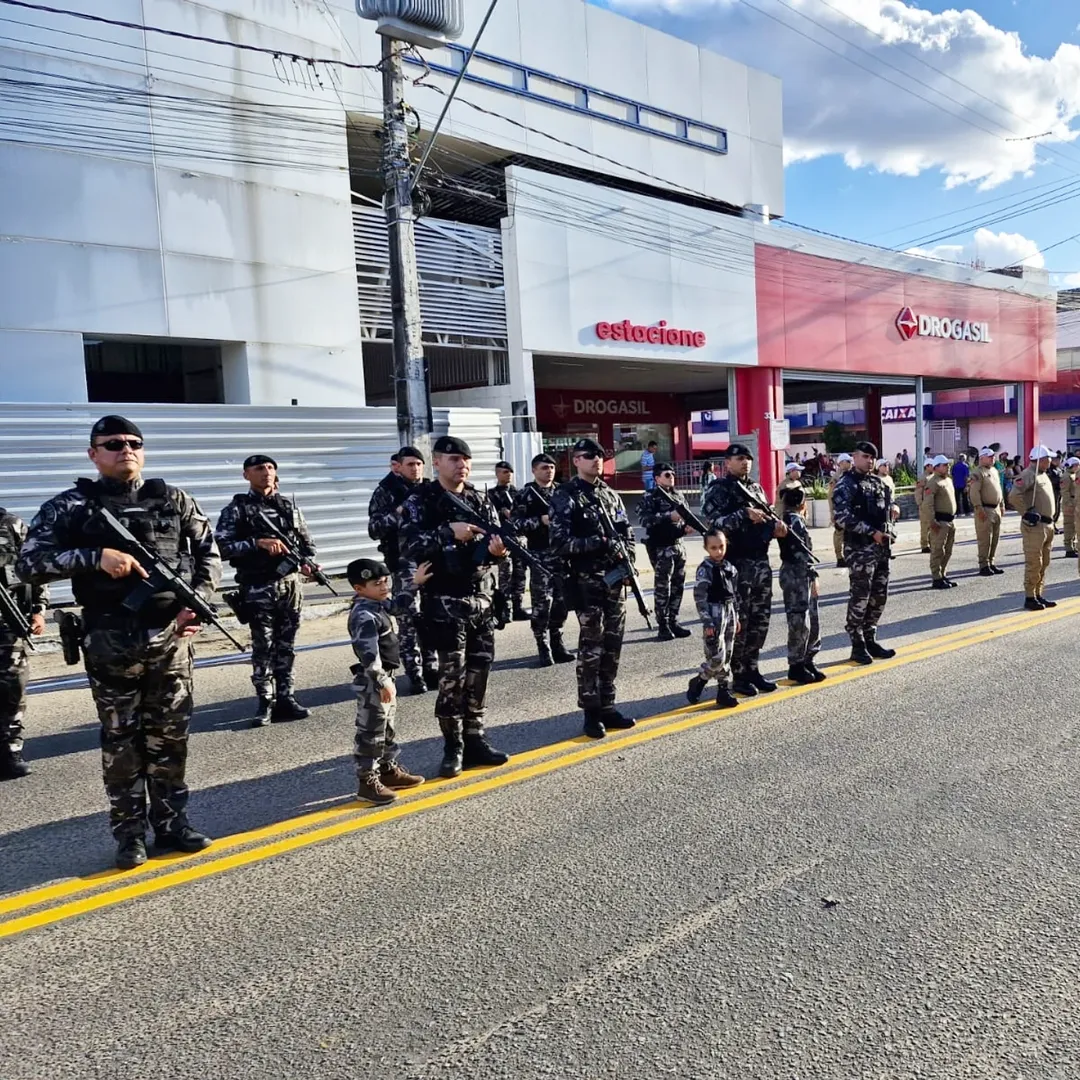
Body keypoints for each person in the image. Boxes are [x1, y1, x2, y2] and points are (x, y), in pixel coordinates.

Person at [16, 415, 221, 868]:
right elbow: (29, 565)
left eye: (133, 442)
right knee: (121, 741)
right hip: (110, 639)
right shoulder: (70, 506)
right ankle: (130, 835)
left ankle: (172, 824)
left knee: (170, 737)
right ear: (93, 454)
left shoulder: (175, 499)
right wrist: (95, 557)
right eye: (112, 443)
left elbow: (209, 553)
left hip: (170, 638)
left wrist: (198, 603)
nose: (125, 449)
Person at [399, 435, 511, 778]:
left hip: (481, 600)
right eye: (453, 459)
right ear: (436, 462)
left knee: (479, 674)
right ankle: (453, 746)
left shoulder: (479, 498)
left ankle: (476, 738)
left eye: (465, 459)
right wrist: (448, 532)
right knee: (452, 680)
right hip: (445, 602)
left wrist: (497, 552)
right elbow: (408, 545)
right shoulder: (421, 500)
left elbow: (494, 542)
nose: (461, 465)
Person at [214, 454, 318, 726]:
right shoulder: (236, 510)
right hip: (258, 586)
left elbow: (308, 545)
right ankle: (265, 701)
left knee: (287, 645)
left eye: (271, 467)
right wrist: (257, 543)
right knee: (264, 646)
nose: (267, 472)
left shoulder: (288, 507)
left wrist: (306, 564)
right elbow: (220, 548)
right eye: (259, 468)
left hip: (290, 586)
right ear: (246, 474)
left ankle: (286, 697)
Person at [550, 437, 637, 739]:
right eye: (589, 455)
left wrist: (628, 562)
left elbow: (627, 533)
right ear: (576, 460)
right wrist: (598, 542)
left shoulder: (610, 495)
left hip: (614, 581)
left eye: (599, 455)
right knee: (591, 649)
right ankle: (590, 711)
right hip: (586, 582)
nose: (596, 459)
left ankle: (608, 705)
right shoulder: (566, 496)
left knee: (613, 646)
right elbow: (559, 543)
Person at [702, 442, 786, 697]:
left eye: (748, 458)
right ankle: (737, 674)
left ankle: (752, 668)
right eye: (739, 458)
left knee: (760, 620)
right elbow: (713, 525)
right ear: (727, 462)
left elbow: (767, 517)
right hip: (737, 565)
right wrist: (743, 514)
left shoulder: (755, 488)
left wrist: (776, 527)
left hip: (760, 562)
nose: (745, 462)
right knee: (740, 622)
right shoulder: (719, 489)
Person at [345, 557, 431, 805]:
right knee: (371, 731)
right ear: (359, 588)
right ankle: (367, 782)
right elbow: (368, 654)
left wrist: (414, 584)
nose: (384, 587)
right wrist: (381, 681)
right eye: (377, 584)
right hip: (374, 680)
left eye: (385, 581)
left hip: (386, 676)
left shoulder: (378, 604)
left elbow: (398, 606)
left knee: (386, 728)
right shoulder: (364, 614)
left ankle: (388, 771)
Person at [368, 447, 437, 695]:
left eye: (419, 464)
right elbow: (374, 528)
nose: (415, 468)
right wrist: (398, 513)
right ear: (397, 466)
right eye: (410, 464)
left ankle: (431, 667)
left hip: (430, 559)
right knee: (409, 619)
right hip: (404, 561)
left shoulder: (429, 489)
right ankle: (415, 673)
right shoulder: (386, 491)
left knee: (430, 615)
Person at [833, 440, 900, 666]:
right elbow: (842, 517)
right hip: (859, 549)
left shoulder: (877, 483)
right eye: (865, 456)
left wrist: (892, 516)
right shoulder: (846, 484)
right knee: (860, 596)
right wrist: (872, 532)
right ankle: (857, 643)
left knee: (879, 595)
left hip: (880, 549)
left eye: (872, 457)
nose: (870, 461)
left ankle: (870, 638)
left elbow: (887, 508)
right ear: (855, 457)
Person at [511, 453, 575, 668]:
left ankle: (557, 642)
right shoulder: (525, 495)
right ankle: (543, 645)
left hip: (563, 555)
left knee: (561, 602)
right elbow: (515, 524)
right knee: (542, 603)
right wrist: (540, 520)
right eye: (544, 468)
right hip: (539, 555)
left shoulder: (563, 492)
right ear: (534, 470)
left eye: (551, 468)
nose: (549, 471)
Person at [0, 508, 47, 780]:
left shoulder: (11, 525)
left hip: (7, 624)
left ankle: (10, 752)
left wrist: (39, 610)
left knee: (12, 689)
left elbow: (35, 567)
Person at [637, 463, 693, 640]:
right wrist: (668, 516)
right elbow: (644, 520)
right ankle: (663, 624)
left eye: (673, 474)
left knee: (678, 585)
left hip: (678, 545)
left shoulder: (678, 495)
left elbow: (686, 516)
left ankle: (674, 621)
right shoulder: (650, 496)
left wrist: (687, 526)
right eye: (667, 475)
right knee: (663, 587)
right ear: (657, 478)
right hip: (661, 547)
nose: (671, 477)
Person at [685, 529, 739, 710]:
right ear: (706, 548)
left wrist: (736, 616)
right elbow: (699, 597)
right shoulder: (705, 569)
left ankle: (723, 690)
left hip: (729, 612)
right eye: (713, 548)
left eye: (721, 547)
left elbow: (734, 594)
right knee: (717, 656)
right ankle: (700, 680)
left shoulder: (730, 567)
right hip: (714, 614)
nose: (718, 551)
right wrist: (707, 621)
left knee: (728, 653)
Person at [777, 487, 824, 685]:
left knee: (809, 619)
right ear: (803, 504)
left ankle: (806, 660)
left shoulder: (790, 519)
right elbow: (801, 555)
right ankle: (796, 665)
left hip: (799, 573)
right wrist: (812, 576)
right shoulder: (794, 521)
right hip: (797, 574)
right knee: (799, 620)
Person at [1008, 445, 1056, 611]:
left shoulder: (1042, 474)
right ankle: (1030, 597)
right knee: (1034, 562)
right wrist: (1026, 512)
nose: (1050, 461)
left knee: (1044, 562)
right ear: (1040, 459)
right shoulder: (1028, 474)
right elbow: (1014, 495)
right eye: (1048, 458)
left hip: (1047, 524)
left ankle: (1038, 593)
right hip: (1035, 526)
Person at [488, 461, 529, 623]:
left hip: (519, 539)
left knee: (520, 575)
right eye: (505, 472)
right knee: (506, 575)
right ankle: (505, 610)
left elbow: (525, 513)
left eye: (510, 472)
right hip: (503, 539)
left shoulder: (518, 493)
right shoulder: (491, 494)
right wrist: (501, 512)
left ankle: (518, 608)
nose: (508, 475)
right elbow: (488, 516)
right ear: (497, 474)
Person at [967, 448, 1006, 576]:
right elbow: (974, 492)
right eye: (989, 456)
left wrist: (1002, 504)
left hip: (996, 508)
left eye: (993, 456)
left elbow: (998, 489)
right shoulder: (978, 473)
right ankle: (983, 564)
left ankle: (991, 561)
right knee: (985, 539)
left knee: (995, 538)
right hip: (985, 509)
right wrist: (979, 508)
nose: (992, 458)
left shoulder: (994, 470)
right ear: (982, 458)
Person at [924, 454, 958, 589]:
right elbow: (928, 503)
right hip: (940, 521)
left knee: (948, 550)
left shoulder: (948, 480)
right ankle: (936, 577)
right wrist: (932, 521)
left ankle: (943, 574)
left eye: (948, 465)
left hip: (950, 520)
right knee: (938, 550)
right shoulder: (933, 482)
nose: (948, 467)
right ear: (936, 467)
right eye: (944, 465)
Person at [827, 453, 853, 567]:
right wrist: (832, 513)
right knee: (839, 533)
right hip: (839, 511)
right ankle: (839, 557)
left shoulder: (852, 475)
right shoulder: (836, 478)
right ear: (841, 463)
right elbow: (830, 497)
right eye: (848, 461)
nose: (850, 463)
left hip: (851, 510)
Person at [915, 460, 935, 554]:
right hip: (925, 505)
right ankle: (924, 545)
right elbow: (918, 492)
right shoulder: (923, 478)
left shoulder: (934, 477)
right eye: (931, 465)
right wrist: (920, 503)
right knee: (924, 526)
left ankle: (932, 543)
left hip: (933, 505)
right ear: (927, 466)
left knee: (932, 525)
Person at [1062, 457, 1079, 557]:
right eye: (1076, 465)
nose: (1078, 467)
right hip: (1069, 504)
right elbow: (1065, 492)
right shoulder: (1066, 476)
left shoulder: (1073, 475)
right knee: (1069, 526)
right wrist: (1069, 504)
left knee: (1074, 526)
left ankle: (1073, 546)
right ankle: (1069, 549)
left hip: (1074, 502)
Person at [1048, 453, 1064, 531]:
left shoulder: (1059, 469)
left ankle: (1053, 524)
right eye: (1058, 460)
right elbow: (1051, 480)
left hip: (1058, 492)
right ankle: (1051, 526)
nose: (1059, 462)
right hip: (1052, 491)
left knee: (1057, 509)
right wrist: (1059, 481)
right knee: (1053, 509)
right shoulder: (1049, 470)